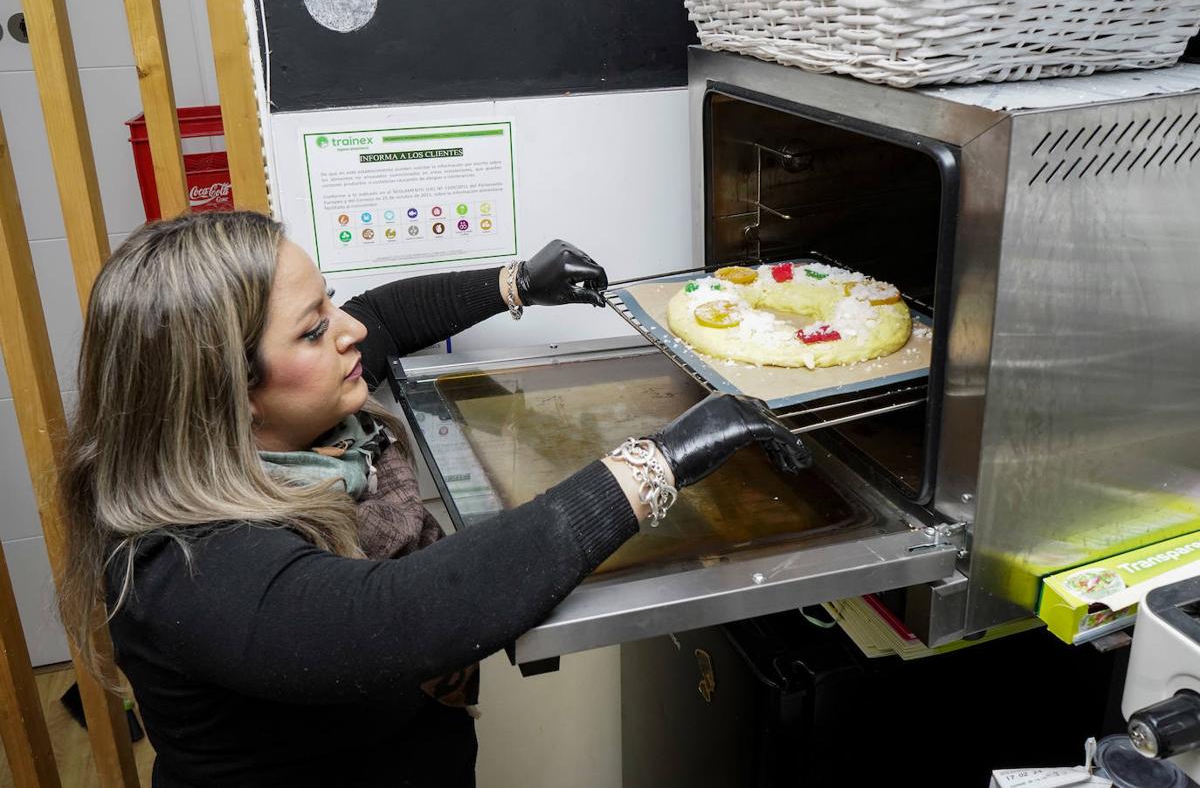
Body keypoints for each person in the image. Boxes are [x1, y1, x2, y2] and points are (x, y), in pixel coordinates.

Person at [57, 211, 810, 787]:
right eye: (316, 328)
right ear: (225, 393)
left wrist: (516, 281)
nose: (348, 328)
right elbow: (402, 614)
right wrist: (661, 458)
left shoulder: (294, 425)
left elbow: (381, 317)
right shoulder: (183, 565)